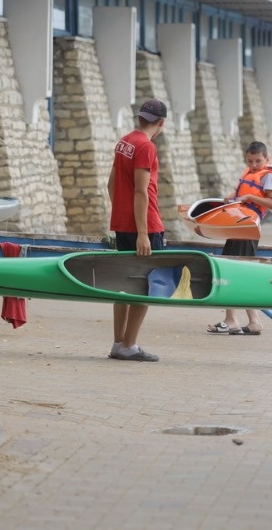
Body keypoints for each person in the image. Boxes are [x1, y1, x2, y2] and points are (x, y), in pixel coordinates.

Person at [106, 98, 167, 362]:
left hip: (123, 223)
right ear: (161, 123)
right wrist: (143, 232)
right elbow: (141, 191)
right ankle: (130, 345)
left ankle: (119, 343)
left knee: (123, 285)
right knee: (146, 285)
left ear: (140, 118)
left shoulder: (125, 142)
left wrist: (121, 211)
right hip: (146, 225)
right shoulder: (146, 146)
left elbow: (111, 183)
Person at [207, 141, 272, 335]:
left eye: (258, 161)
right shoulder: (249, 173)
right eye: (250, 161)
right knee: (230, 270)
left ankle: (235, 320)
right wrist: (229, 198)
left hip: (248, 229)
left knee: (233, 272)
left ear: (267, 159)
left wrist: (251, 199)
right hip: (238, 227)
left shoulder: (268, 177)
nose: (254, 165)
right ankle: (246, 321)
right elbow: (240, 191)